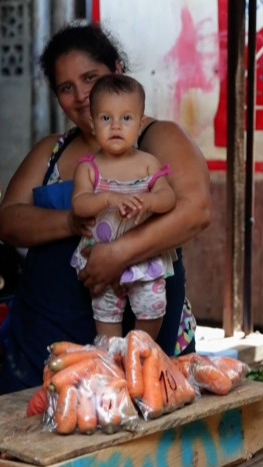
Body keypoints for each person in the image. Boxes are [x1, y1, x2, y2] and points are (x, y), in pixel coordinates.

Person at [0, 23, 212, 394]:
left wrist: (118, 253)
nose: (80, 96)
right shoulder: (53, 150)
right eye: (66, 88)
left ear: (116, 70)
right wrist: (76, 220)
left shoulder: (157, 138)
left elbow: (196, 211)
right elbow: (9, 221)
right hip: (45, 349)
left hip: (137, 353)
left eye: (90, 78)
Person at [70, 73, 177, 340]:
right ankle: (110, 360)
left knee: (152, 308)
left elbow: (168, 198)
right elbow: (79, 205)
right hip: (101, 257)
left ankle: (140, 353)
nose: (116, 126)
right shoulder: (88, 167)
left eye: (126, 118)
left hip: (143, 257)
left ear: (140, 125)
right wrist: (108, 199)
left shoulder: (148, 163)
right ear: (94, 124)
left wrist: (150, 200)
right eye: (106, 118)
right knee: (106, 313)